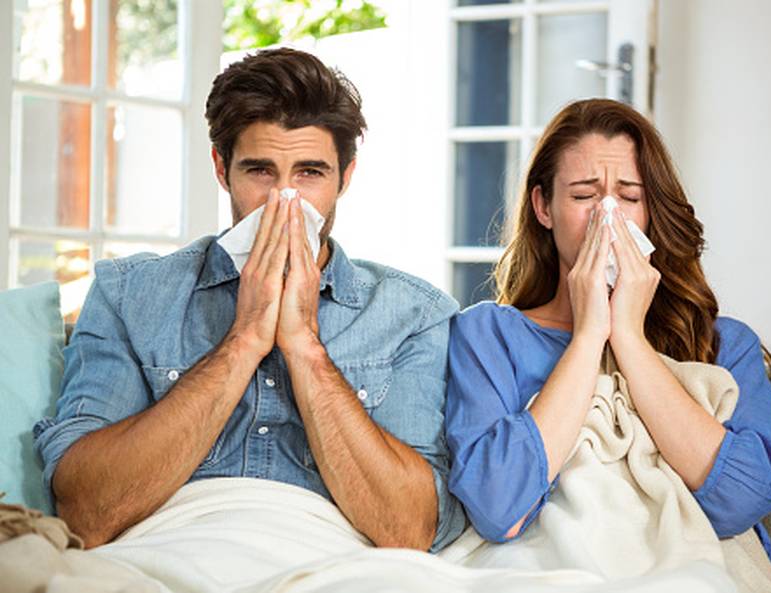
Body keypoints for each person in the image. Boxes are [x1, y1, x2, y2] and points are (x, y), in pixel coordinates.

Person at [33, 48, 465, 553]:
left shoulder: (414, 314)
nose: (284, 199)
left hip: (334, 564)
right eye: (260, 171)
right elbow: (86, 512)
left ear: (345, 178)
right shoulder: (129, 296)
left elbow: (408, 530)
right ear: (223, 169)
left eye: (309, 173)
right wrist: (242, 341)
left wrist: (303, 346)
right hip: (167, 552)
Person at [445, 98, 771, 561]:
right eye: (584, 196)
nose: (609, 218)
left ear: (651, 211)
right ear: (543, 207)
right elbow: (495, 506)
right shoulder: (487, 334)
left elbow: (743, 500)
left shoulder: (724, 344)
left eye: (629, 197)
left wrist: (627, 337)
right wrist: (588, 338)